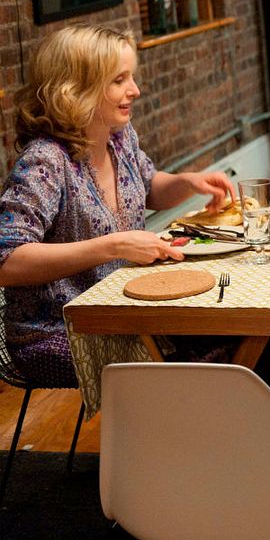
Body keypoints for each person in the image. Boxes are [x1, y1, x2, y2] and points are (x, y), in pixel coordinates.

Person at [0, 24, 234, 384]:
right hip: (52, 330)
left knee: (225, 332)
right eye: (118, 80)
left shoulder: (119, 138)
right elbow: (7, 261)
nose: (135, 90)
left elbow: (149, 186)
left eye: (132, 78)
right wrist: (113, 247)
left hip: (121, 310)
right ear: (76, 88)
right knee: (196, 358)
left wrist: (188, 183)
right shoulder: (45, 161)